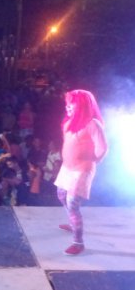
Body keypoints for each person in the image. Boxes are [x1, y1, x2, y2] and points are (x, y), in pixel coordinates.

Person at [55, 89, 107, 256]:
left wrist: (92, 161)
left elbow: (102, 148)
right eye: (67, 104)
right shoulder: (69, 122)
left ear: (83, 105)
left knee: (72, 203)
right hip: (67, 167)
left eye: (72, 104)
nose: (68, 107)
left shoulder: (93, 124)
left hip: (82, 169)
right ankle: (73, 222)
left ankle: (78, 243)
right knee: (61, 194)